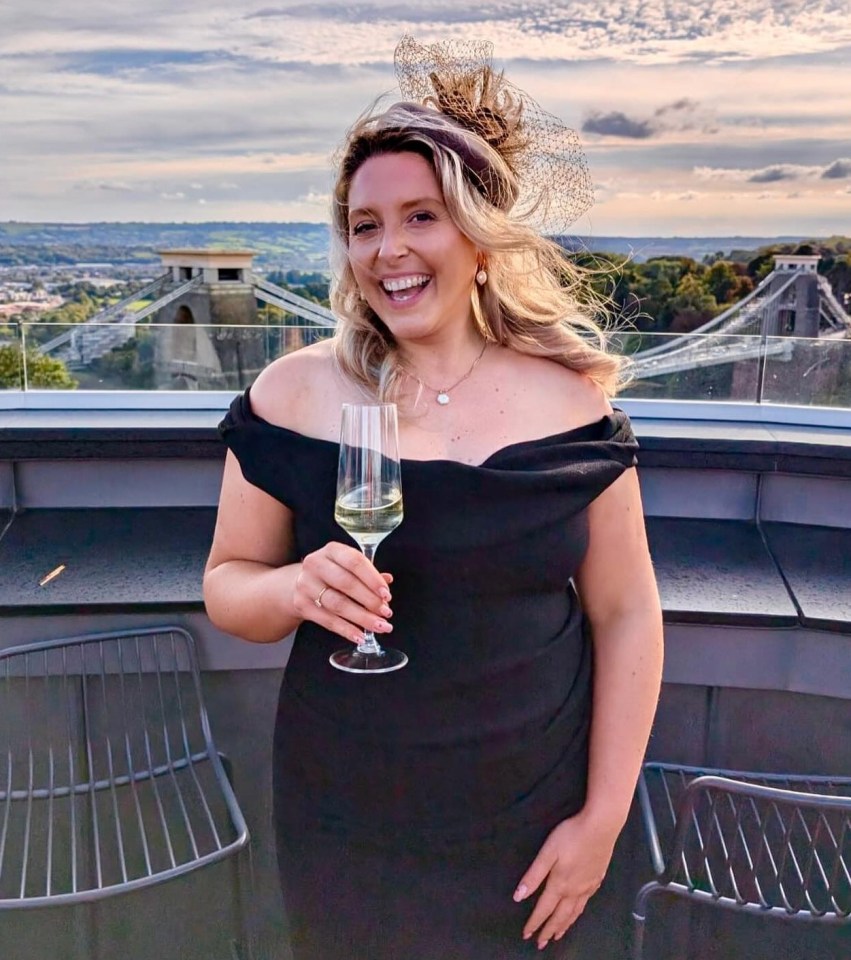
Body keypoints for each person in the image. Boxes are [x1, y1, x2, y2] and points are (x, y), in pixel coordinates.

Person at [204, 36, 663, 960]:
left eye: (421, 216)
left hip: (534, 814)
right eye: (365, 225)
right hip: (347, 816)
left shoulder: (574, 398)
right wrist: (293, 589)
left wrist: (603, 822)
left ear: (478, 234)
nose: (390, 250)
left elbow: (625, 612)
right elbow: (226, 585)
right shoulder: (291, 395)